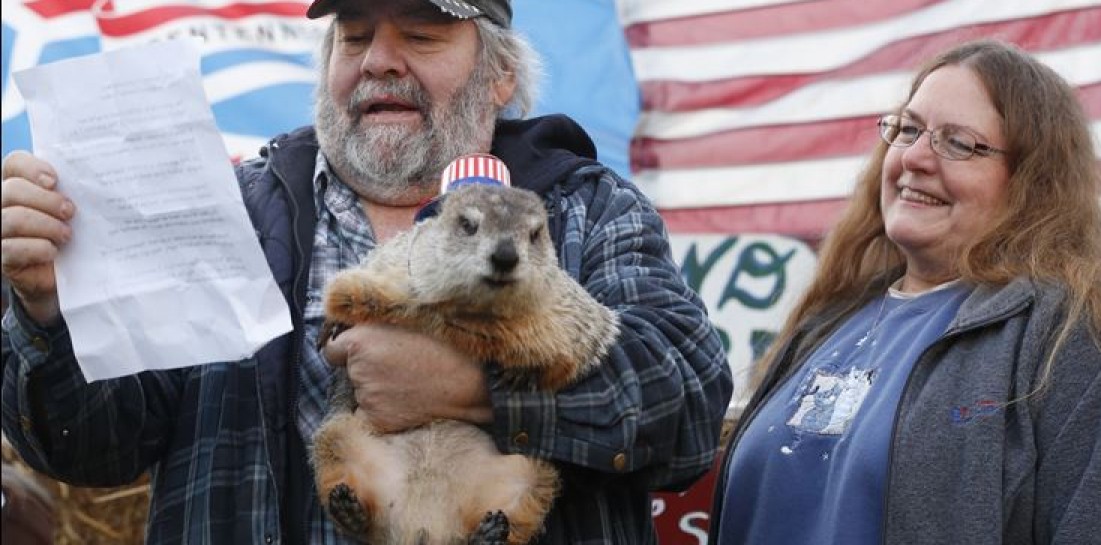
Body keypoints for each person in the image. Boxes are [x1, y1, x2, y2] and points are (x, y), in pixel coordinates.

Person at [0, 0, 733, 543]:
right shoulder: (228, 213)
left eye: (420, 33)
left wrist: (478, 390)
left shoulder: (587, 209)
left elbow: (690, 401)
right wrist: (46, 314)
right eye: (354, 35)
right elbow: (89, 445)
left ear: (501, 72)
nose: (379, 58)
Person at [708, 38, 1101, 544]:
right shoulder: (828, 322)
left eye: (959, 143)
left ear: (1032, 183)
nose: (916, 157)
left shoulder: (1086, 339)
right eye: (908, 129)